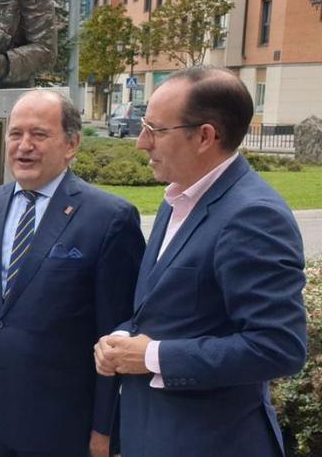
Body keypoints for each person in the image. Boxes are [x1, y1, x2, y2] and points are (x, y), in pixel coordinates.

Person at [93, 67, 308, 456]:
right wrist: (124, 337)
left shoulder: (253, 216)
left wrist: (152, 356)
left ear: (206, 136)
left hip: (213, 441)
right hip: (155, 433)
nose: (142, 143)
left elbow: (279, 346)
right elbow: (162, 312)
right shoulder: (177, 199)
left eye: (155, 130)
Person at [0, 90, 145, 457]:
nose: (24, 146)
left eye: (39, 135)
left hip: (61, 426)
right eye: (16, 134)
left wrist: (104, 427)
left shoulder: (109, 219)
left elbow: (118, 330)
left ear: (72, 144)